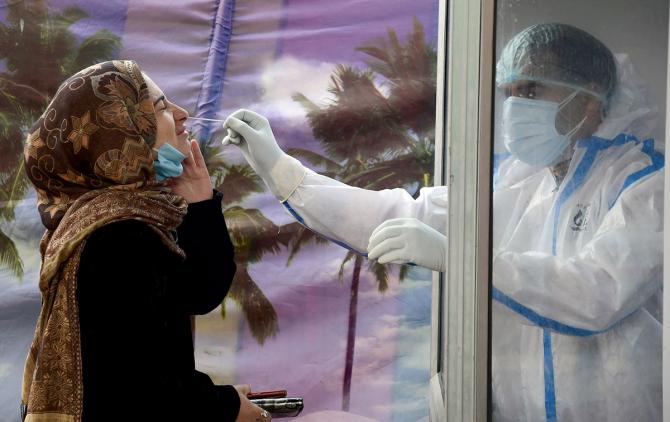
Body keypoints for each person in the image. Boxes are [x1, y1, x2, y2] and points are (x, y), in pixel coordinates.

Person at [222, 24, 663, 421]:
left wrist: (465, 260)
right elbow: (398, 214)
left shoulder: (646, 180)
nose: (512, 108)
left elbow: (595, 292)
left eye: (530, 90)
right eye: (507, 92)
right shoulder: (516, 181)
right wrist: (281, 170)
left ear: (587, 98)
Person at [20, 60, 271, 422]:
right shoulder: (117, 237)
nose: (183, 115)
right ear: (123, 131)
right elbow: (142, 386)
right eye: (163, 107)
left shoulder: (121, 223)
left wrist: (200, 203)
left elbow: (199, 293)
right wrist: (228, 408)